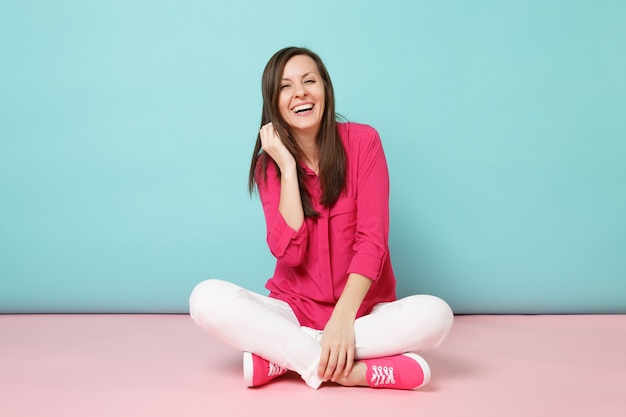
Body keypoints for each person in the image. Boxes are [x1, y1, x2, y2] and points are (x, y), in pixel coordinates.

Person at [189, 46, 453, 390]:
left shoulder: (364, 142)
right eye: (285, 86)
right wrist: (286, 166)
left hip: (361, 315)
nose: (300, 92)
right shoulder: (269, 168)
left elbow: (373, 242)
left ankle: (284, 358)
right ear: (273, 103)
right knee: (205, 298)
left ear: (325, 89)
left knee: (437, 315)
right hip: (293, 312)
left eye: (309, 80)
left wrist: (342, 321)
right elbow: (291, 254)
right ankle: (357, 371)